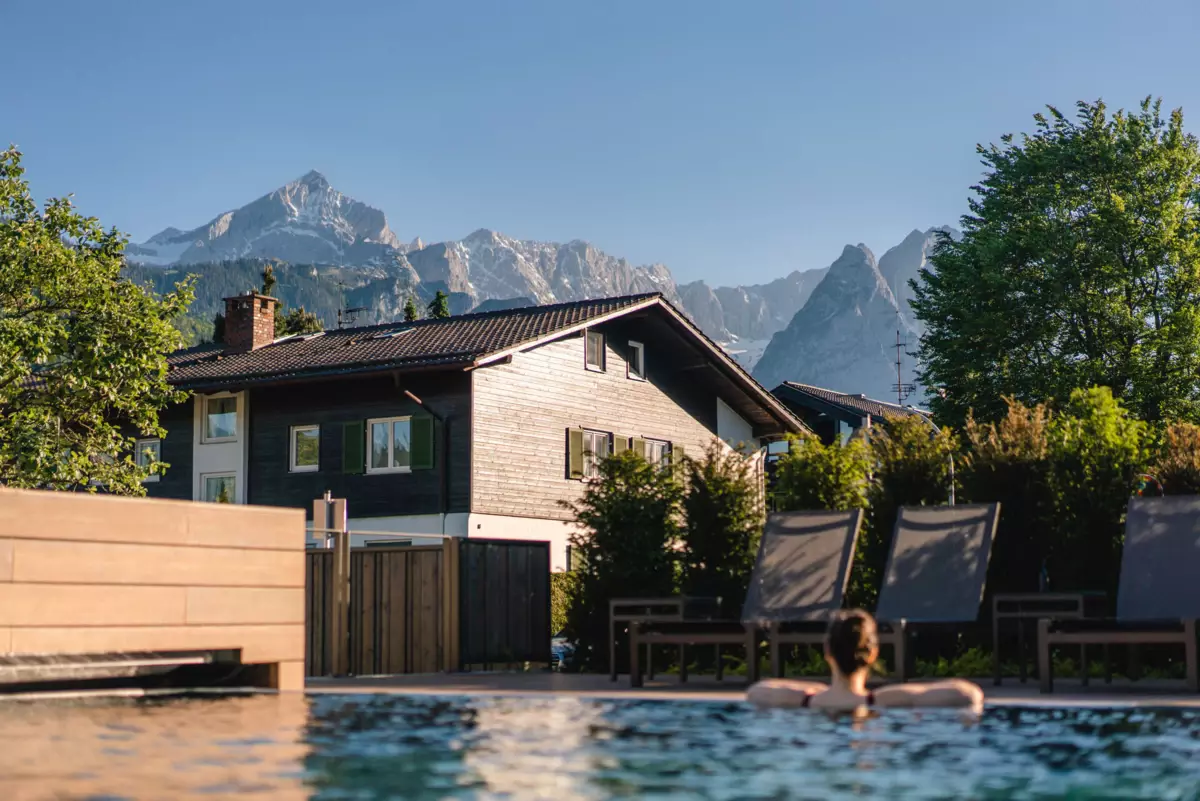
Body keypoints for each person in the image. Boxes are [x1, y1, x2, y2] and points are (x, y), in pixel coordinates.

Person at [746, 609, 984, 711]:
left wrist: (812, 694)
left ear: (827, 651)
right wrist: (899, 694)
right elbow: (969, 694)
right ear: (872, 654)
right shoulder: (880, 701)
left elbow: (756, 692)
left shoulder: (810, 701)